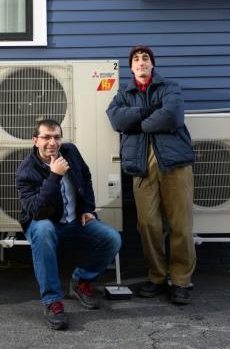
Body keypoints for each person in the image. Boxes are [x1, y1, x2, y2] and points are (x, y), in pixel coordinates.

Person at [106, 45, 196, 305]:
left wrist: (140, 123)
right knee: (148, 224)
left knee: (180, 224)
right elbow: (116, 120)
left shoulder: (169, 87)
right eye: (136, 59)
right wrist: (147, 112)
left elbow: (172, 116)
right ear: (131, 67)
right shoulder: (124, 93)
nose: (141, 62)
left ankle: (180, 281)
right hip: (141, 165)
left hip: (174, 162)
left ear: (152, 64)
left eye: (145, 58)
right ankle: (157, 277)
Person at [15, 119, 122, 330]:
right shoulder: (26, 171)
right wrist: (54, 176)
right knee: (44, 230)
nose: (52, 142)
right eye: (46, 137)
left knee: (112, 239)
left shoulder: (70, 151)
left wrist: (88, 209)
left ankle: (81, 281)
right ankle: (52, 301)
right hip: (43, 223)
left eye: (56, 136)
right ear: (35, 140)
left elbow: (87, 177)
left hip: (75, 220)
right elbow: (35, 211)